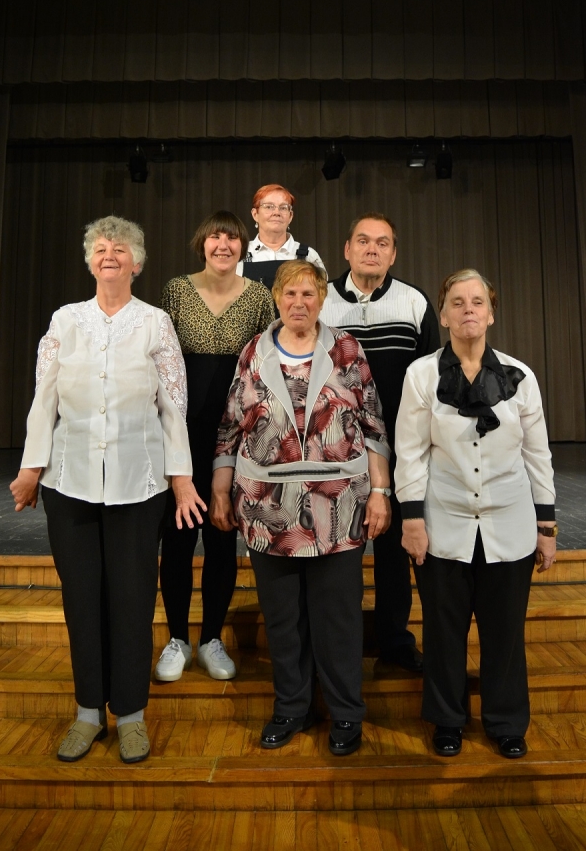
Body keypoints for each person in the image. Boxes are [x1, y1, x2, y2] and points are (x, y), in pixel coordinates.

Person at [10, 216, 204, 764]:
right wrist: (31, 468)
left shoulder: (156, 323)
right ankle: (89, 713)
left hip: (138, 485)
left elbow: (174, 407)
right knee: (82, 599)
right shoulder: (65, 320)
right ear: (90, 261)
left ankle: (132, 716)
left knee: (133, 599)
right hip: (68, 482)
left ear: (136, 263)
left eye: (121, 248)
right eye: (100, 247)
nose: (110, 254)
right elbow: (44, 399)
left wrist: (181, 478)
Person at [210, 259, 391, 757]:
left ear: (322, 299)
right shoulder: (254, 351)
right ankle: (292, 707)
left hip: (341, 507)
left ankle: (346, 712)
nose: (299, 303)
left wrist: (381, 493)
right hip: (267, 508)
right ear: (276, 298)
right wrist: (221, 491)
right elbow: (229, 428)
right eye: (290, 293)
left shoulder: (347, 350)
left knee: (338, 619)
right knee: (283, 618)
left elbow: (374, 425)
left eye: (309, 294)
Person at [395, 268, 557, 760]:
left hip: (510, 522)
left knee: (505, 633)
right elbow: (410, 452)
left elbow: (537, 454)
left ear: (491, 313)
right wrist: (412, 519)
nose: (468, 310)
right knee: (444, 631)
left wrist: (546, 526)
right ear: (443, 316)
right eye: (458, 303)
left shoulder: (520, 376)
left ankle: (506, 722)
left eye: (478, 302)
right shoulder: (421, 374)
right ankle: (447, 720)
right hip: (442, 521)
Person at [155, 211, 275, 683]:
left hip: (236, 436)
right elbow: (162, 362)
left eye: (231, 238)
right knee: (178, 538)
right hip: (182, 434)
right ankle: (177, 639)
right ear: (201, 243)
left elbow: (265, 364)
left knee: (223, 536)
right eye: (214, 237)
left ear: (243, 245)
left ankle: (210, 640)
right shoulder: (176, 290)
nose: (223, 245)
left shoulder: (260, 297)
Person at [319, 213, 439, 673]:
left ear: (393, 254)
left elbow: (432, 380)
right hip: (336, 454)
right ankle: (339, 650)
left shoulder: (414, 302)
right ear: (347, 250)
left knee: (394, 554)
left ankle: (394, 644)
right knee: (339, 557)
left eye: (382, 243)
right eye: (363, 241)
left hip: (401, 452)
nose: (372, 249)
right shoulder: (320, 300)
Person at [237, 183, 326, 289]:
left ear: (290, 216)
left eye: (283, 208)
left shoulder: (309, 256)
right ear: (255, 214)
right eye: (269, 207)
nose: (276, 212)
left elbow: (321, 295)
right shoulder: (240, 254)